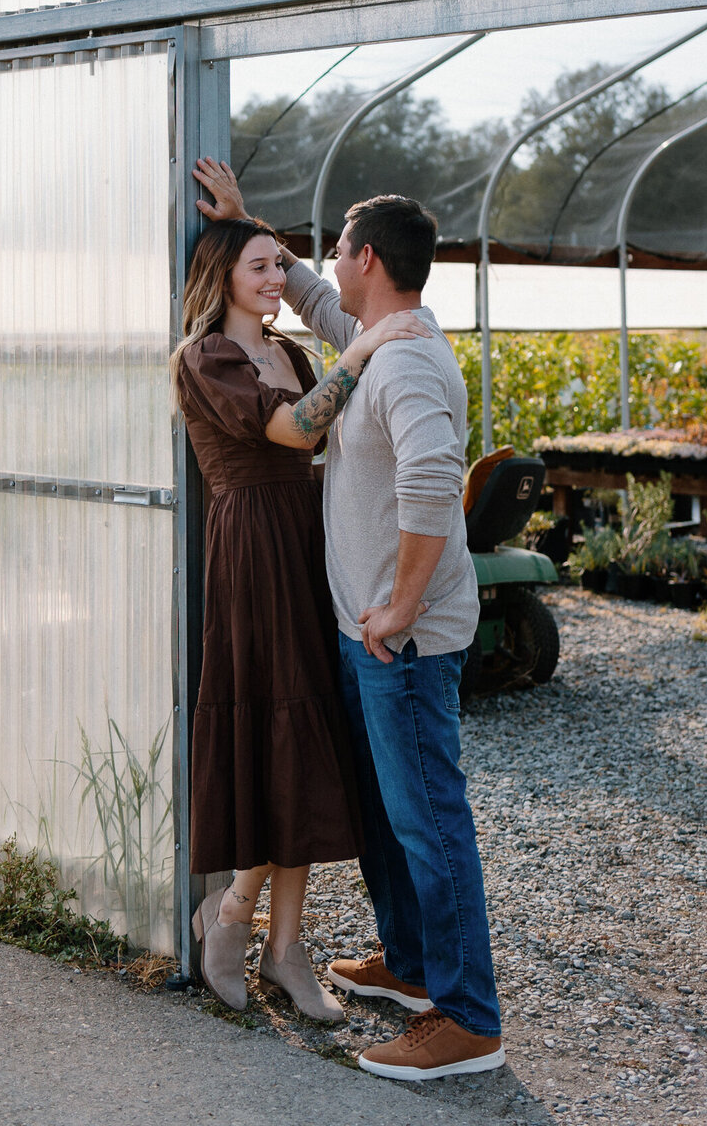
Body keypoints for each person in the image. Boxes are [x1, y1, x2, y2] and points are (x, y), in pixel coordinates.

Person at [194, 159, 505, 1083]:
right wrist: (249, 228)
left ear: (368, 258)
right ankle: (410, 970)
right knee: (382, 812)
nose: (318, 267)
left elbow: (429, 483)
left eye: (335, 252)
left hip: (400, 635)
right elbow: (328, 318)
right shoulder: (377, 328)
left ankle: (466, 1020)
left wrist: (403, 606)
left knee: (429, 823)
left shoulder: (404, 357)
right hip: (366, 626)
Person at [172, 212, 428, 1020]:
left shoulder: (289, 351)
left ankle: (285, 946)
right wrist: (362, 346)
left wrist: (344, 352)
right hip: (251, 549)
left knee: (306, 738)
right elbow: (291, 430)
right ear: (222, 279)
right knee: (273, 729)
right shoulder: (203, 357)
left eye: (279, 266)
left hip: (303, 541)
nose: (276, 280)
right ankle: (234, 915)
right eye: (259, 268)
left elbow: (322, 431)